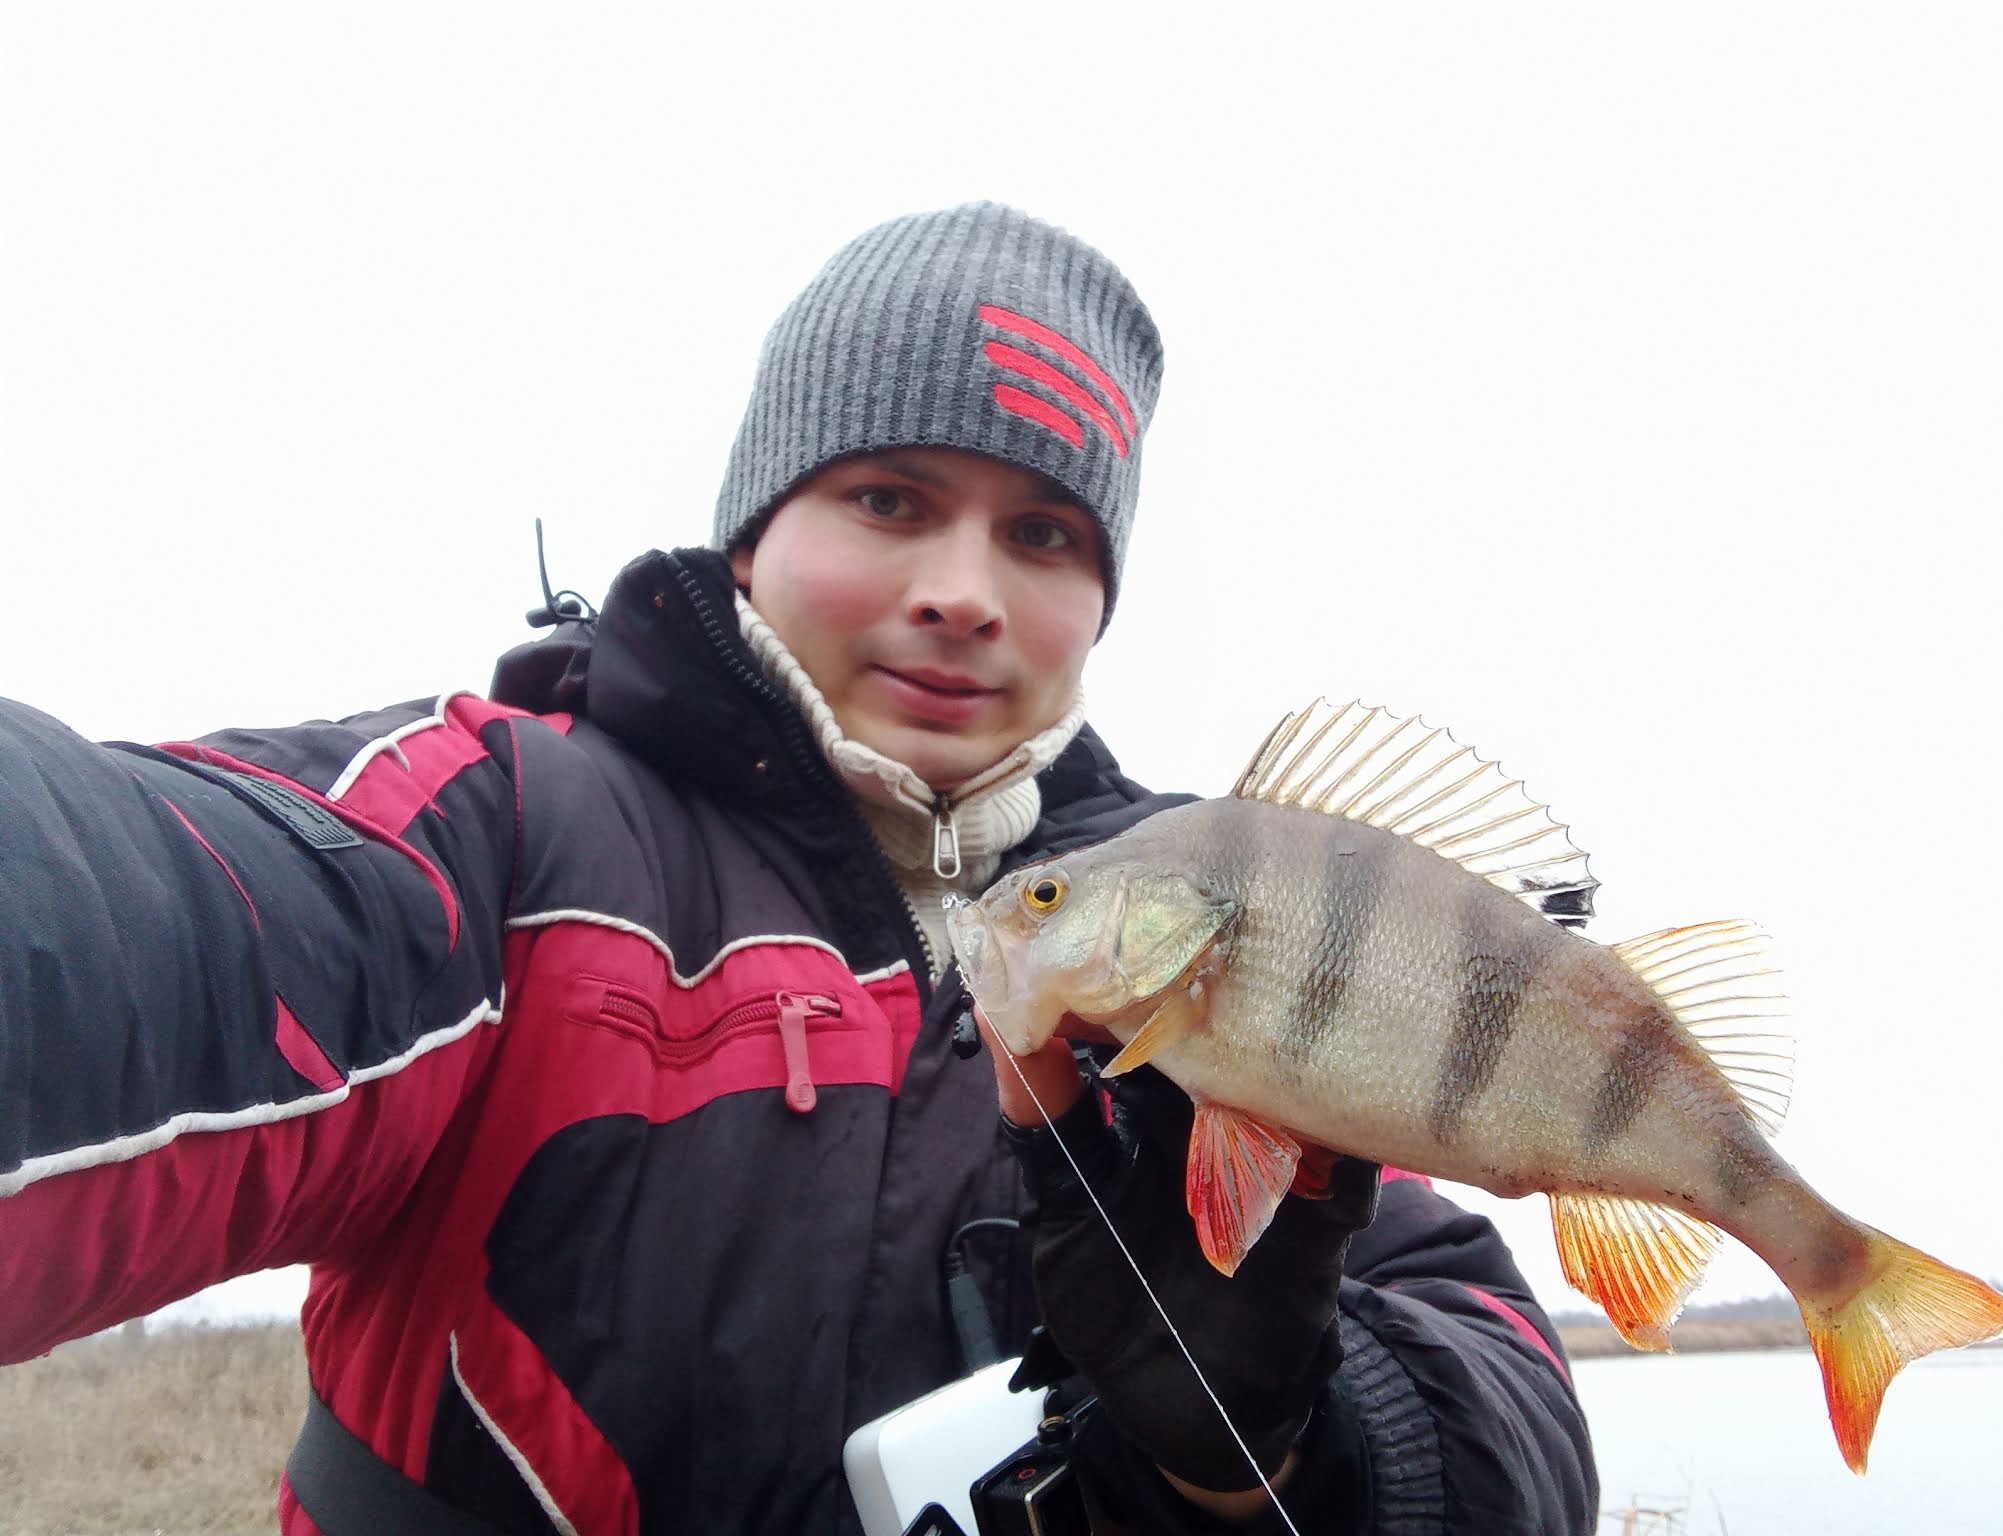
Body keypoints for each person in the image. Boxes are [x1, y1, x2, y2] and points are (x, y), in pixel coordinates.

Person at [0, 202, 1597, 1534]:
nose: (965, 590)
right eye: (889, 498)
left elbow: (1501, 1393)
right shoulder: (500, 833)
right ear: (751, 531)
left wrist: (1286, 1447)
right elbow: (147, 915)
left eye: (1046, 536)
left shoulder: (1215, 940)